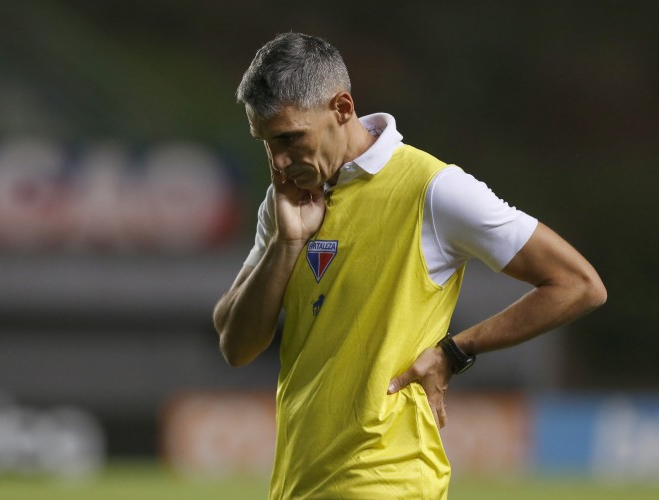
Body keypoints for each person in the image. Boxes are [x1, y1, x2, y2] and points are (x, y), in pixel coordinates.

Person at [213, 32, 606, 500]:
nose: (278, 161)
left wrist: (454, 351)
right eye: (266, 143)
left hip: (389, 481)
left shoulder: (434, 189)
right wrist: (287, 242)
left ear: (341, 108)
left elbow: (578, 284)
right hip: (301, 483)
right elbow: (236, 344)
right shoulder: (285, 204)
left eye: (290, 138)